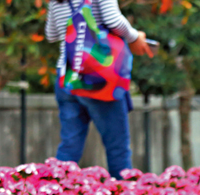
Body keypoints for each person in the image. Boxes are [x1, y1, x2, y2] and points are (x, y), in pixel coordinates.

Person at [45, 0, 153, 179]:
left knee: (69, 145)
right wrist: (135, 37)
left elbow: (52, 34)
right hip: (100, 77)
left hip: (68, 76)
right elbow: (114, 21)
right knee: (117, 146)